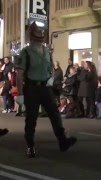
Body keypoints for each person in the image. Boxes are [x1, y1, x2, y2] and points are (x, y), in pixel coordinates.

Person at [15, 22, 77, 158]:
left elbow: (50, 69)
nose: (41, 36)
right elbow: (19, 73)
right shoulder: (26, 52)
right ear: (31, 36)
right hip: (31, 88)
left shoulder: (47, 52)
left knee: (55, 115)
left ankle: (63, 141)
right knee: (31, 119)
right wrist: (19, 94)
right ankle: (30, 146)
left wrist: (50, 78)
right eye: (37, 34)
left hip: (45, 87)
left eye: (41, 34)